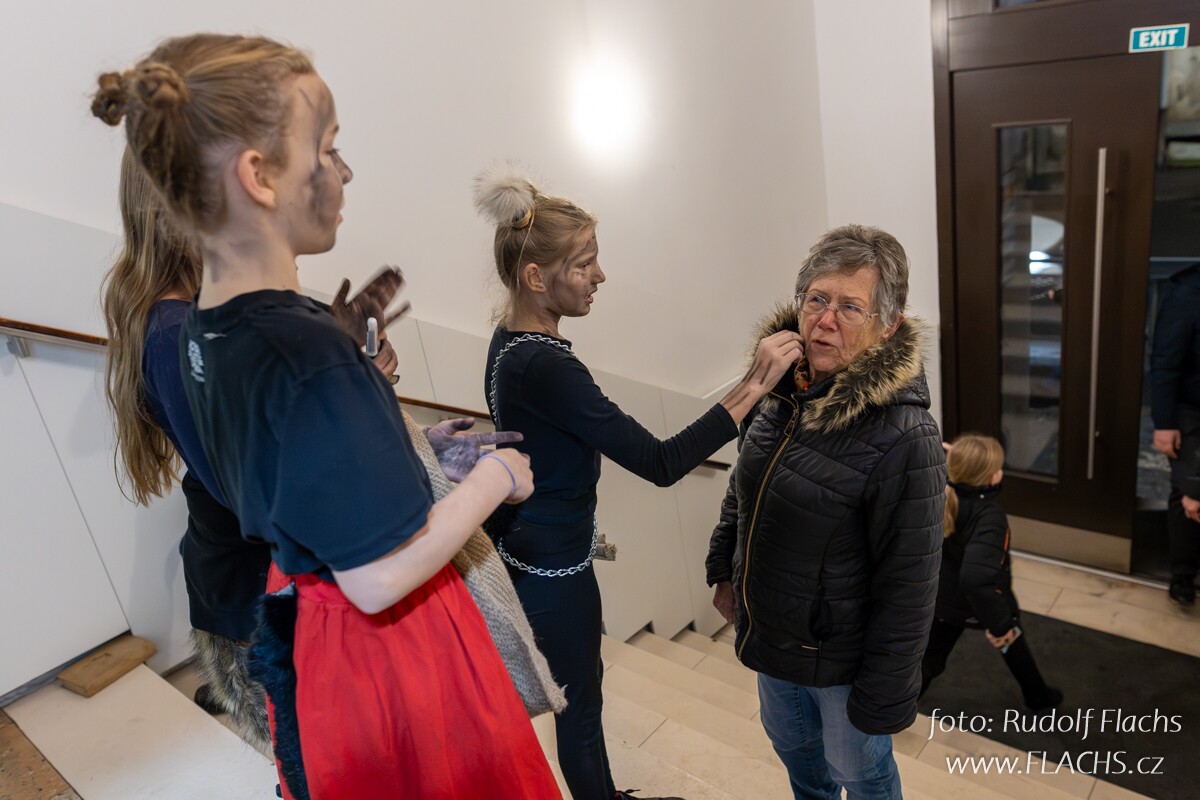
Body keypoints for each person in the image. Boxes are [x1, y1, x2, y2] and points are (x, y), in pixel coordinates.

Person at [92, 34, 560, 799]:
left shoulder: (213, 324)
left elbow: (289, 462)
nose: (344, 170)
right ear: (259, 176)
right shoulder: (285, 347)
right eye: (330, 147)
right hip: (383, 644)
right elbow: (373, 576)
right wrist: (496, 478)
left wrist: (375, 412)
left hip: (321, 634)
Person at [475, 166, 802, 800]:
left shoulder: (511, 341)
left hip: (535, 545)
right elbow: (661, 461)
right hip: (553, 569)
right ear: (536, 278)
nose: (599, 276)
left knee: (583, 689)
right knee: (580, 707)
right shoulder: (546, 366)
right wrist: (756, 385)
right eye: (584, 264)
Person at [100, 149, 408, 752]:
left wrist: (340, 349)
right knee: (310, 764)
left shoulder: (208, 314)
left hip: (263, 586)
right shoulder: (175, 335)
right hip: (251, 602)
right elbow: (264, 491)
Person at [706, 225, 944, 800]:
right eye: (816, 299)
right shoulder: (779, 388)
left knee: (861, 779)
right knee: (800, 764)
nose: (824, 320)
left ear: (888, 325)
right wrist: (723, 568)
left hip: (841, 667)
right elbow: (743, 486)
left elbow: (909, 585)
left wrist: (883, 697)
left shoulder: (907, 435)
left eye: (850, 307)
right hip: (772, 639)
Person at [919, 433, 1062, 711]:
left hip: (940, 596)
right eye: (998, 467)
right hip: (974, 601)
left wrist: (957, 456)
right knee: (1010, 638)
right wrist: (1001, 624)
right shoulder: (989, 517)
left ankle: (893, 708)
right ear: (991, 478)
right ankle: (1038, 697)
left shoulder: (940, 490)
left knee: (930, 660)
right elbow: (977, 580)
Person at [1150, 263, 1200, 606]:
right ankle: (1182, 574)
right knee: (1188, 491)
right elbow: (1165, 362)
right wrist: (1165, 423)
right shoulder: (1186, 295)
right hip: (1190, 412)